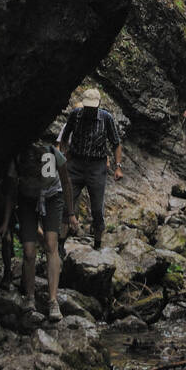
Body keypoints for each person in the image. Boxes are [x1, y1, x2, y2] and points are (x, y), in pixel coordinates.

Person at [0, 141, 76, 322]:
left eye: (33, 172)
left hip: (52, 197)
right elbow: (11, 193)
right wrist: (5, 222)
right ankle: (30, 298)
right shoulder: (18, 160)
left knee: (51, 245)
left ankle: (53, 301)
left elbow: (66, 182)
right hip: (27, 201)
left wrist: (71, 214)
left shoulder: (50, 156)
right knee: (29, 252)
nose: (31, 175)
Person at [59, 88, 121, 250]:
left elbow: (116, 142)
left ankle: (97, 244)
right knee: (67, 203)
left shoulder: (106, 118)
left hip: (97, 166)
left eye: (92, 107)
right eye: (87, 107)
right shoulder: (75, 115)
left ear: (98, 105)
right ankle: (60, 245)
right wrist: (64, 156)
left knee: (97, 208)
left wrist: (118, 167)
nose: (90, 110)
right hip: (76, 163)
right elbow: (64, 137)